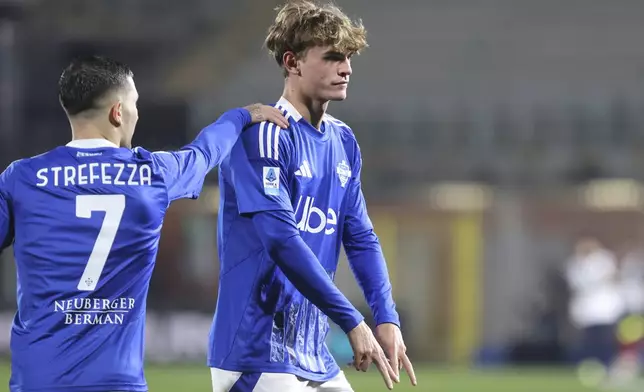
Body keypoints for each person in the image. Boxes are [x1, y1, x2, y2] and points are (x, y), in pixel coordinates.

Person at [0, 55, 287, 392]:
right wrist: (241, 116)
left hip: (38, 382)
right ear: (118, 112)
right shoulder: (150, 174)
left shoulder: (23, 178)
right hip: (118, 383)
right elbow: (204, 152)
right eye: (134, 104)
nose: (137, 114)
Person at [209, 2, 416, 391]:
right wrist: (352, 320)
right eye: (333, 57)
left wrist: (386, 317)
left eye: (349, 57)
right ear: (293, 62)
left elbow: (360, 237)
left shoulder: (343, 141)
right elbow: (281, 242)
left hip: (313, 354)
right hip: (255, 350)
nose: (347, 68)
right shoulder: (263, 138)